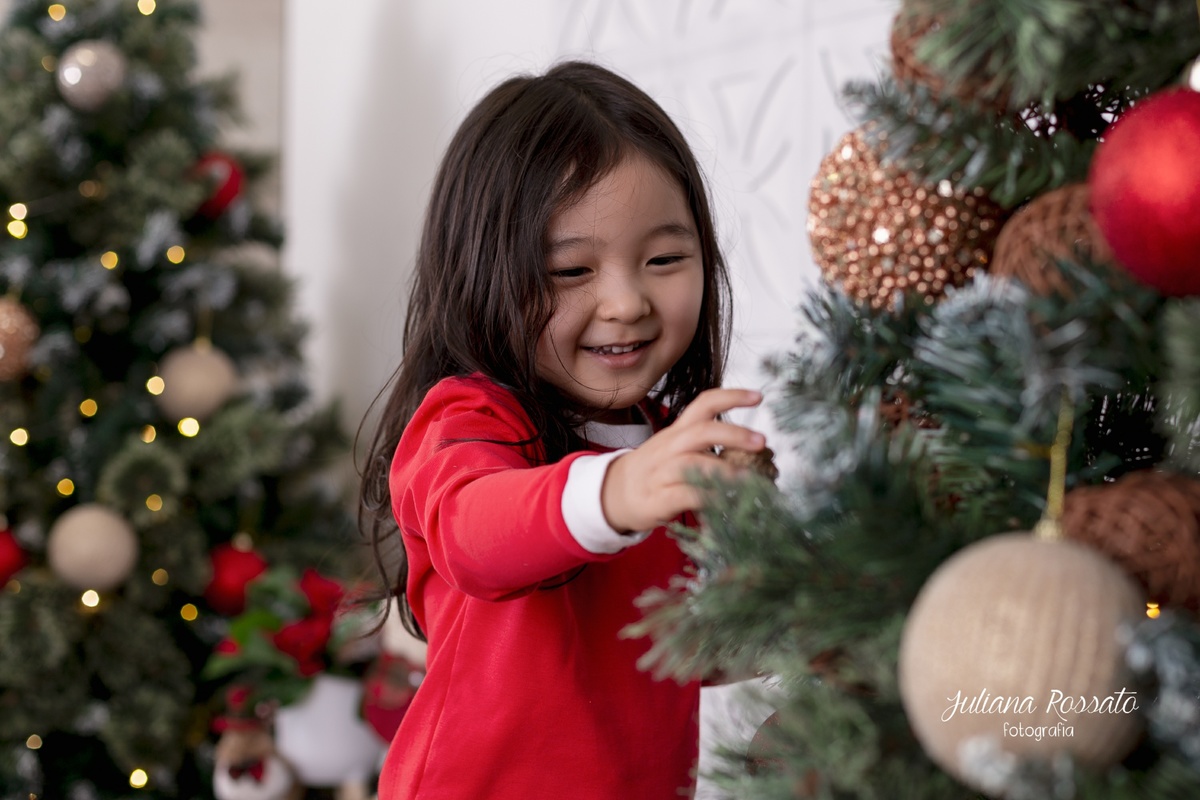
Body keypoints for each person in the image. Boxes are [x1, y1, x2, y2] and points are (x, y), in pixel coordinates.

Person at [359, 59, 767, 800]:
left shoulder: (666, 447)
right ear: (482, 273)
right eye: (571, 271)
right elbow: (475, 536)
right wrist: (619, 492)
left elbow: (662, 648)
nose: (626, 302)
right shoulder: (467, 420)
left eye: (665, 259)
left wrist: (800, 615)